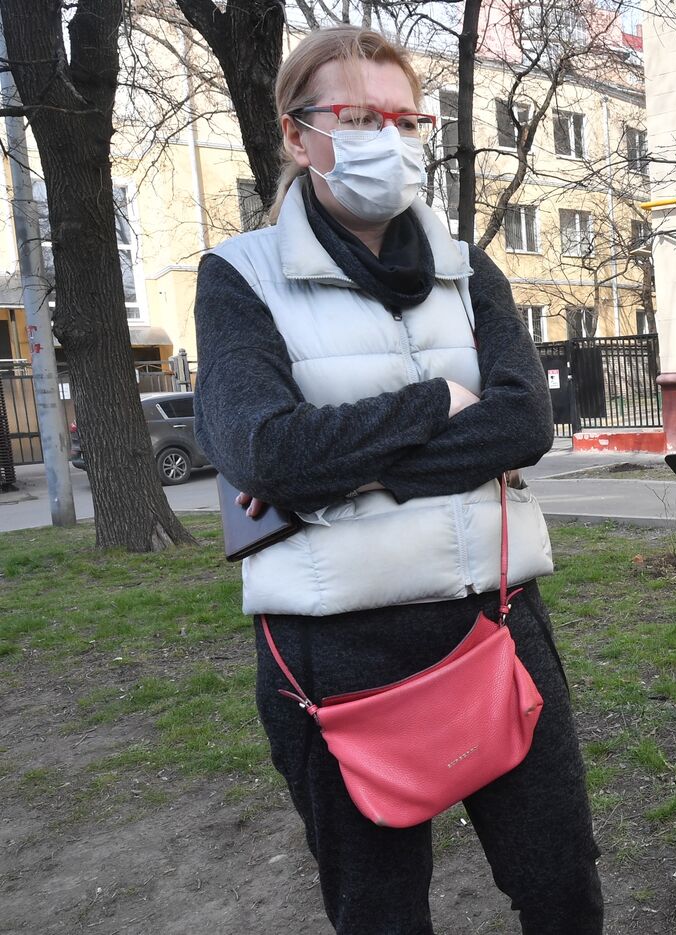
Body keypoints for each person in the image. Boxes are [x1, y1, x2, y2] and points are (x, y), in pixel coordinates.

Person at [192, 26, 604, 935]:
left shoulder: (469, 270)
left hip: (494, 623)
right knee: (379, 914)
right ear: (299, 136)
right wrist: (436, 403)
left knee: (562, 889)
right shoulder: (239, 278)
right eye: (357, 116)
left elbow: (524, 425)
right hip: (333, 658)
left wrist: (329, 471)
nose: (389, 137)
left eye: (405, 119)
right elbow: (262, 452)